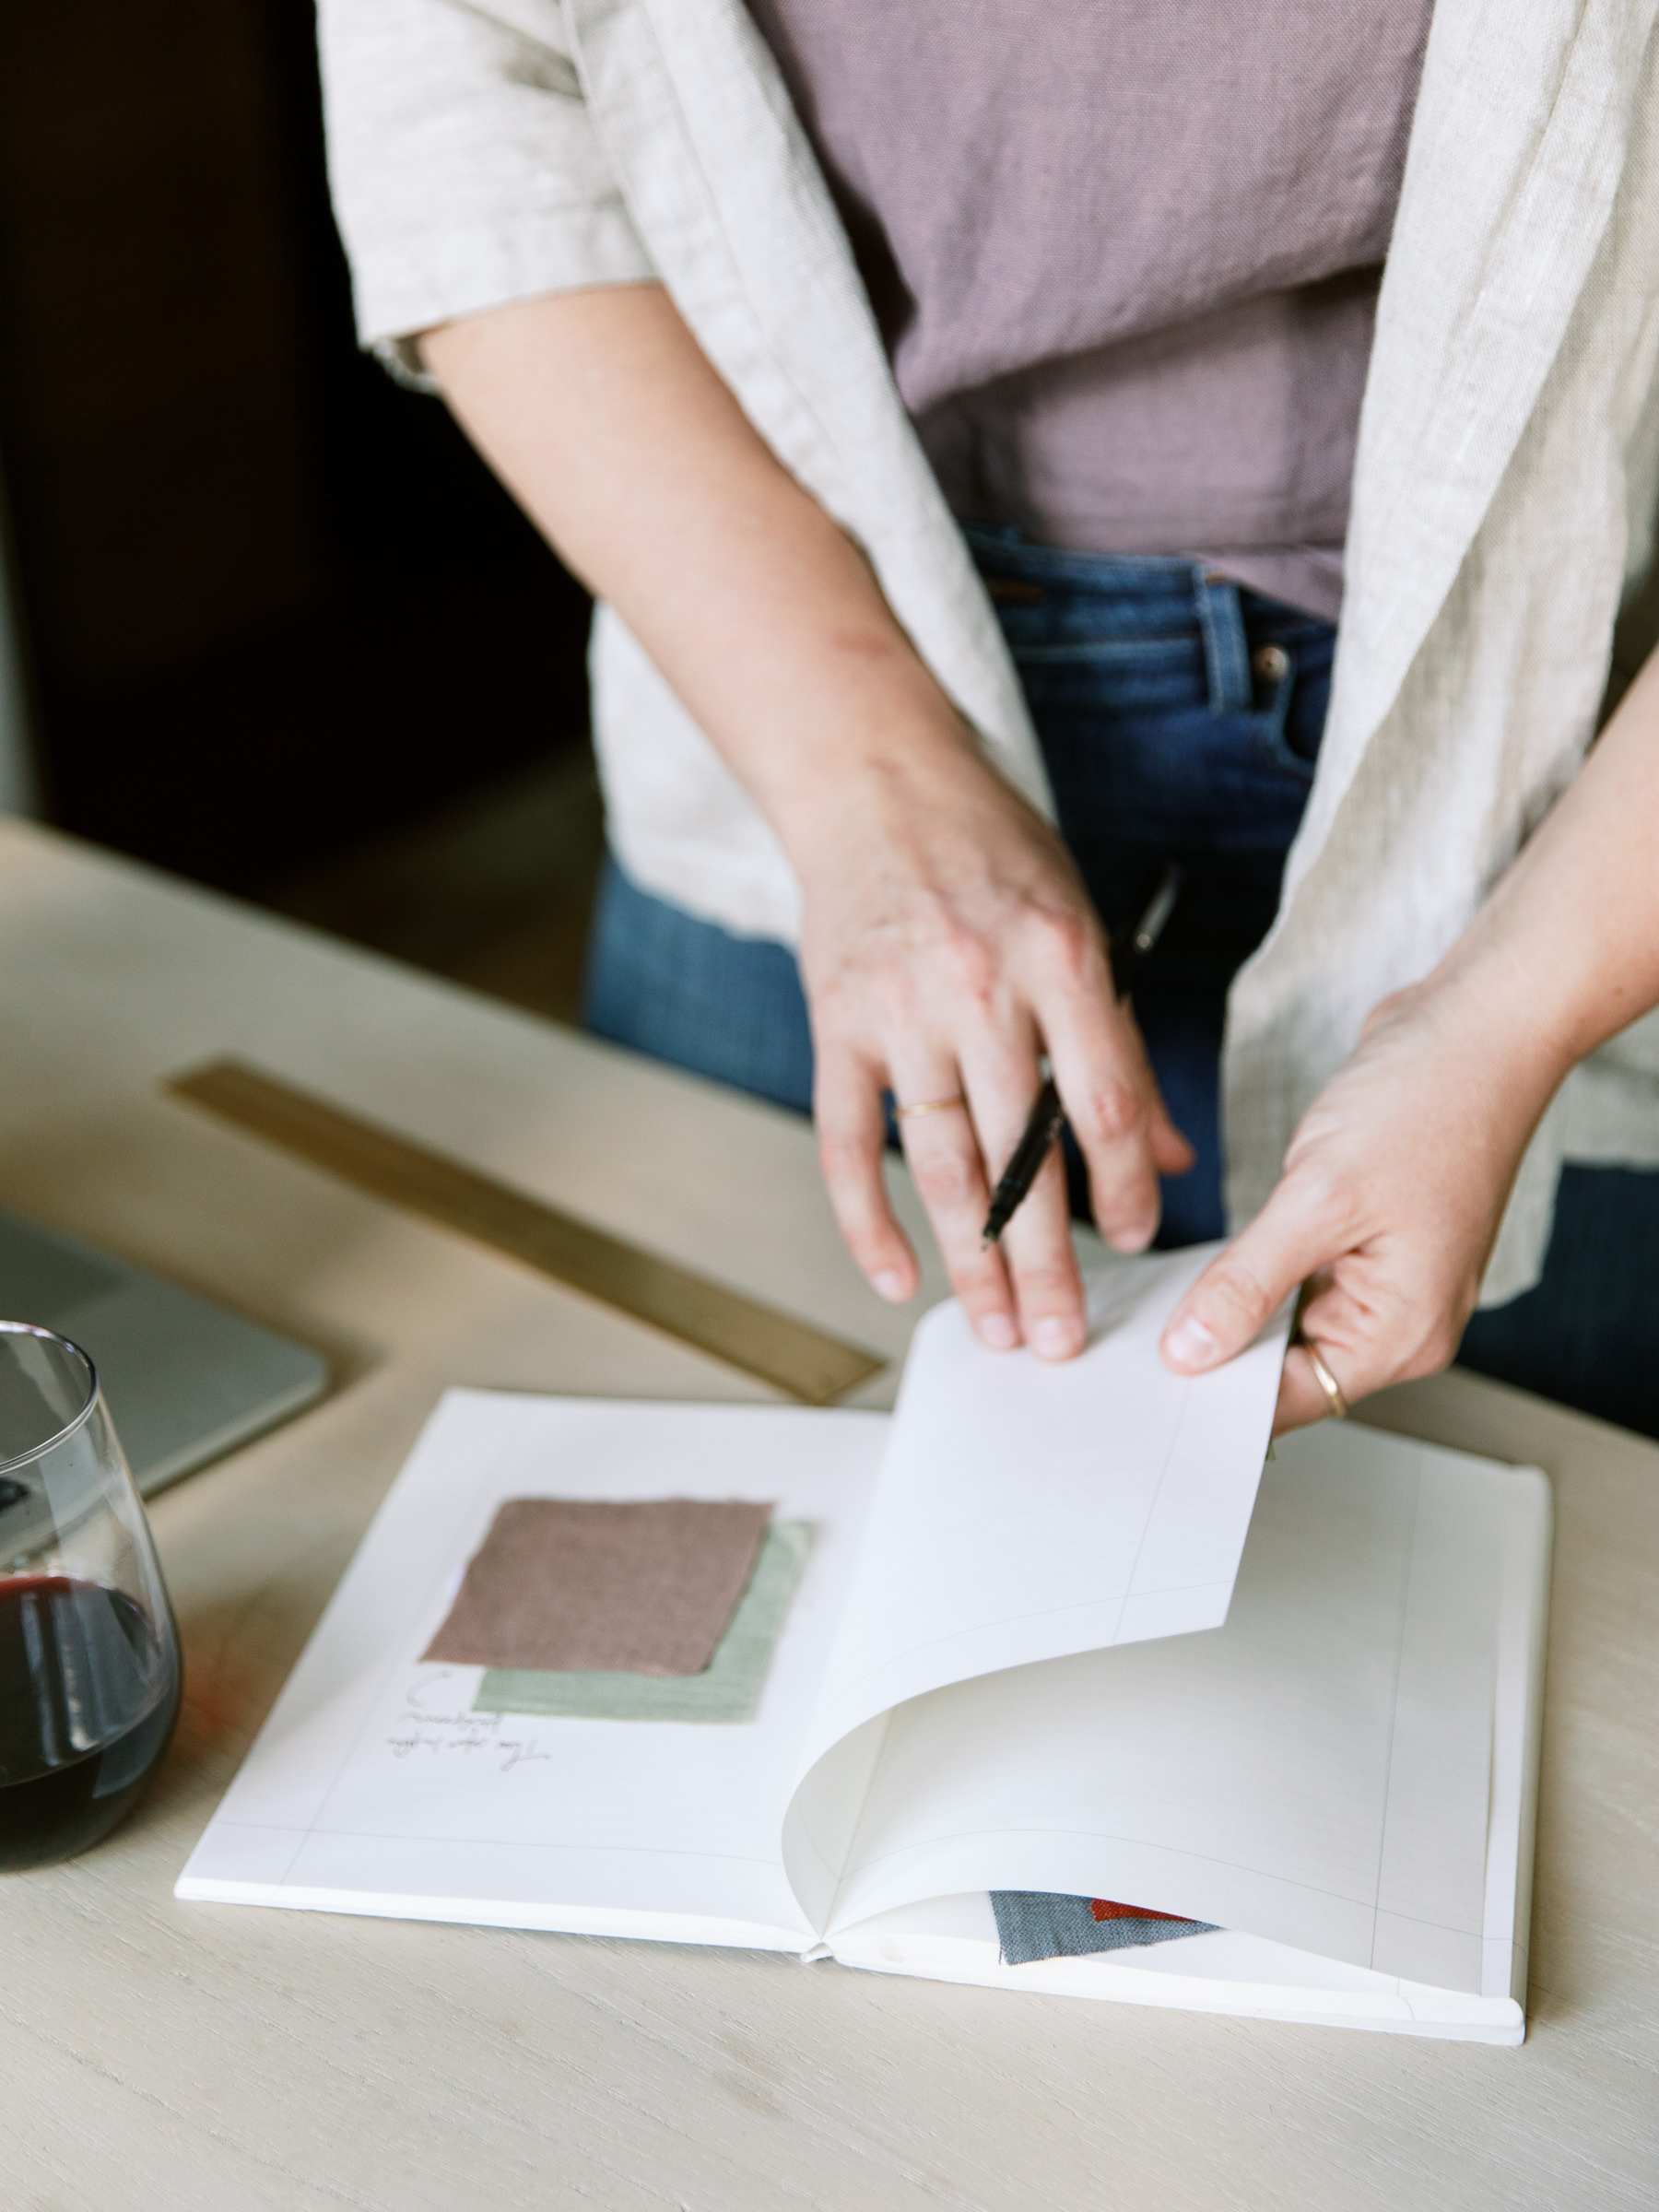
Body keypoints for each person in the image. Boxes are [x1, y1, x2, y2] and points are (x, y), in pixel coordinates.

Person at [320, 0, 1659, 1434]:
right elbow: (466, 99)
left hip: (1569, 812)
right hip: (770, 704)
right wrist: (860, 777)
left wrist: (1515, 1012)